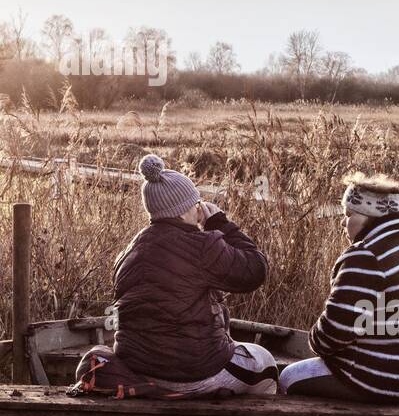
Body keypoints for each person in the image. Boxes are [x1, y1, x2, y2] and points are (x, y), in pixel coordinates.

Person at [279, 172, 399, 403]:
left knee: (289, 376)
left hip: (389, 383)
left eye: (349, 214)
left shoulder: (365, 255)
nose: (343, 222)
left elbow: (331, 336)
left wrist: (316, 341)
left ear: (369, 216)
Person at [104, 154, 277, 396]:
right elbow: (255, 270)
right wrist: (219, 223)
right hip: (194, 371)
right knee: (265, 362)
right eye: (196, 203)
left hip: (138, 369)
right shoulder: (202, 245)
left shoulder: (129, 251)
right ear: (186, 208)